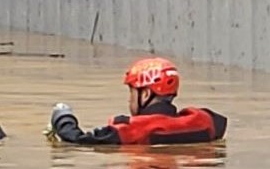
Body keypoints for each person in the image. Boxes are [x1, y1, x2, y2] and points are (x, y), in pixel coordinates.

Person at [50, 56, 226, 145]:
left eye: (132, 92)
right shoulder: (206, 120)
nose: (129, 100)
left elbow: (76, 141)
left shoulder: (129, 130)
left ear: (146, 94)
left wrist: (63, 116)